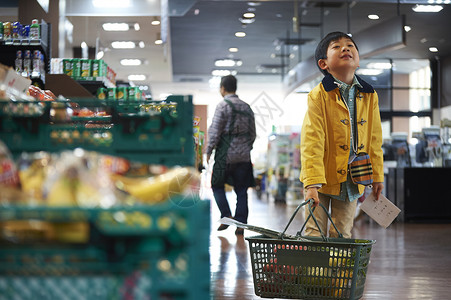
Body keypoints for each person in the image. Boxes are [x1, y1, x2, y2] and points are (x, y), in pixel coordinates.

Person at [300, 31, 384, 239]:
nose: (345, 48)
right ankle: (315, 272)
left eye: (350, 45)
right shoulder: (318, 95)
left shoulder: (369, 94)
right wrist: (311, 184)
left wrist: (377, 176)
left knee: (343, 234)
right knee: (313, 233)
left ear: (358, 60)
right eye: (336, 47)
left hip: (353, 179)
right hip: (321, 178)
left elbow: (374, 138)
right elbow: (312, 140)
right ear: (323, 64)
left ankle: (340, 272)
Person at [206, 75, 256, 235]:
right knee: (241, 190)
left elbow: (215, 132)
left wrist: (208, 151)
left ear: (222, 88)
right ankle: (241, 222)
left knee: (216, 185)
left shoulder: (222, 106)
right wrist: (246, 148)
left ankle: (226, 215)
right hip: (244, 157)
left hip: (225, 156)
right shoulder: (247, 107)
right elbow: (253, 133)